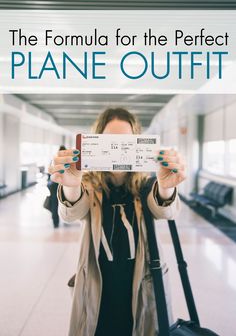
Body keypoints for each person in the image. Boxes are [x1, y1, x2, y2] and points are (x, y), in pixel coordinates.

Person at [48, 108, 186, 336]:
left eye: (126, 142)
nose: (118, 148)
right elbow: (70, 213)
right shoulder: (89, 185)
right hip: (97, 291)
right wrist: (71, 185)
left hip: (142, 289)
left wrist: (167, 185)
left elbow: (165, 210)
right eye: (109, 142)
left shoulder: (146, 184)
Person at [47, 145, 66, 228]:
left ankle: (55, 221)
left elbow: (49, 172)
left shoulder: (54, 160)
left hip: (54, 184)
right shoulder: (67, 161)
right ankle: (64, 218)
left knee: (55, 202)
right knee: (64, 202)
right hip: (63, 184)